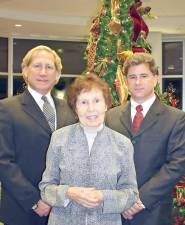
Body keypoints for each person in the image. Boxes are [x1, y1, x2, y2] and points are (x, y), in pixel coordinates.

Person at [39, 73, 139, 225]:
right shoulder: (59, 138)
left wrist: (103, 196)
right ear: (75, 107)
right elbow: (46, 188)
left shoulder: (123, 144)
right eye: (84, 102)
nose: (91, 109)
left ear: (106, 105)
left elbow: (131, 193)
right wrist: (69, 193)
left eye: (97, 101)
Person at [0, 45, 77, 225]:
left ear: (57, 75)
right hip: (23, 209)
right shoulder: (6, 109)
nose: (43, 72)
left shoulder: (69, 110)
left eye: (49, 67)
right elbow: (3, 161)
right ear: (25, 71)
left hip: (63, 209)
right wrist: (35, 201)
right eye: (37, 66)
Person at [106, 53, 185, 225]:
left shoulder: (176, 118)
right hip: (113, 211)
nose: (138, 82)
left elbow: (177, 164)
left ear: (155, 78)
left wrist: (139, 200)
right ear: (126, 81)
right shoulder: (110, 117)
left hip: (153, 211)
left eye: (144, 76)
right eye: (132, 77)